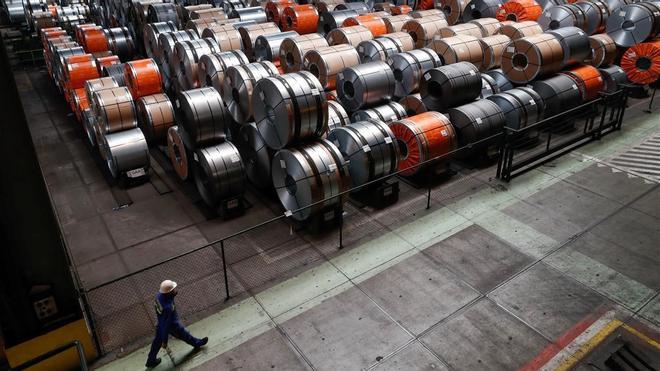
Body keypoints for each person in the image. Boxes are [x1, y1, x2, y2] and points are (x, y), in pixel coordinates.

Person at [145, 280, 208, 368]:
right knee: (185, 335)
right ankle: (197, 343)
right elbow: (166, 326)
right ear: (169, 293)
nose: (175, 290)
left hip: (160, 323)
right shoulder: (168, 308)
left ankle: (150, 361)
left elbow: (162, 320)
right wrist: (165, 341)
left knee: (156, 343)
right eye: (173, 290)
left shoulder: (159, 296)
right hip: (172, 325)